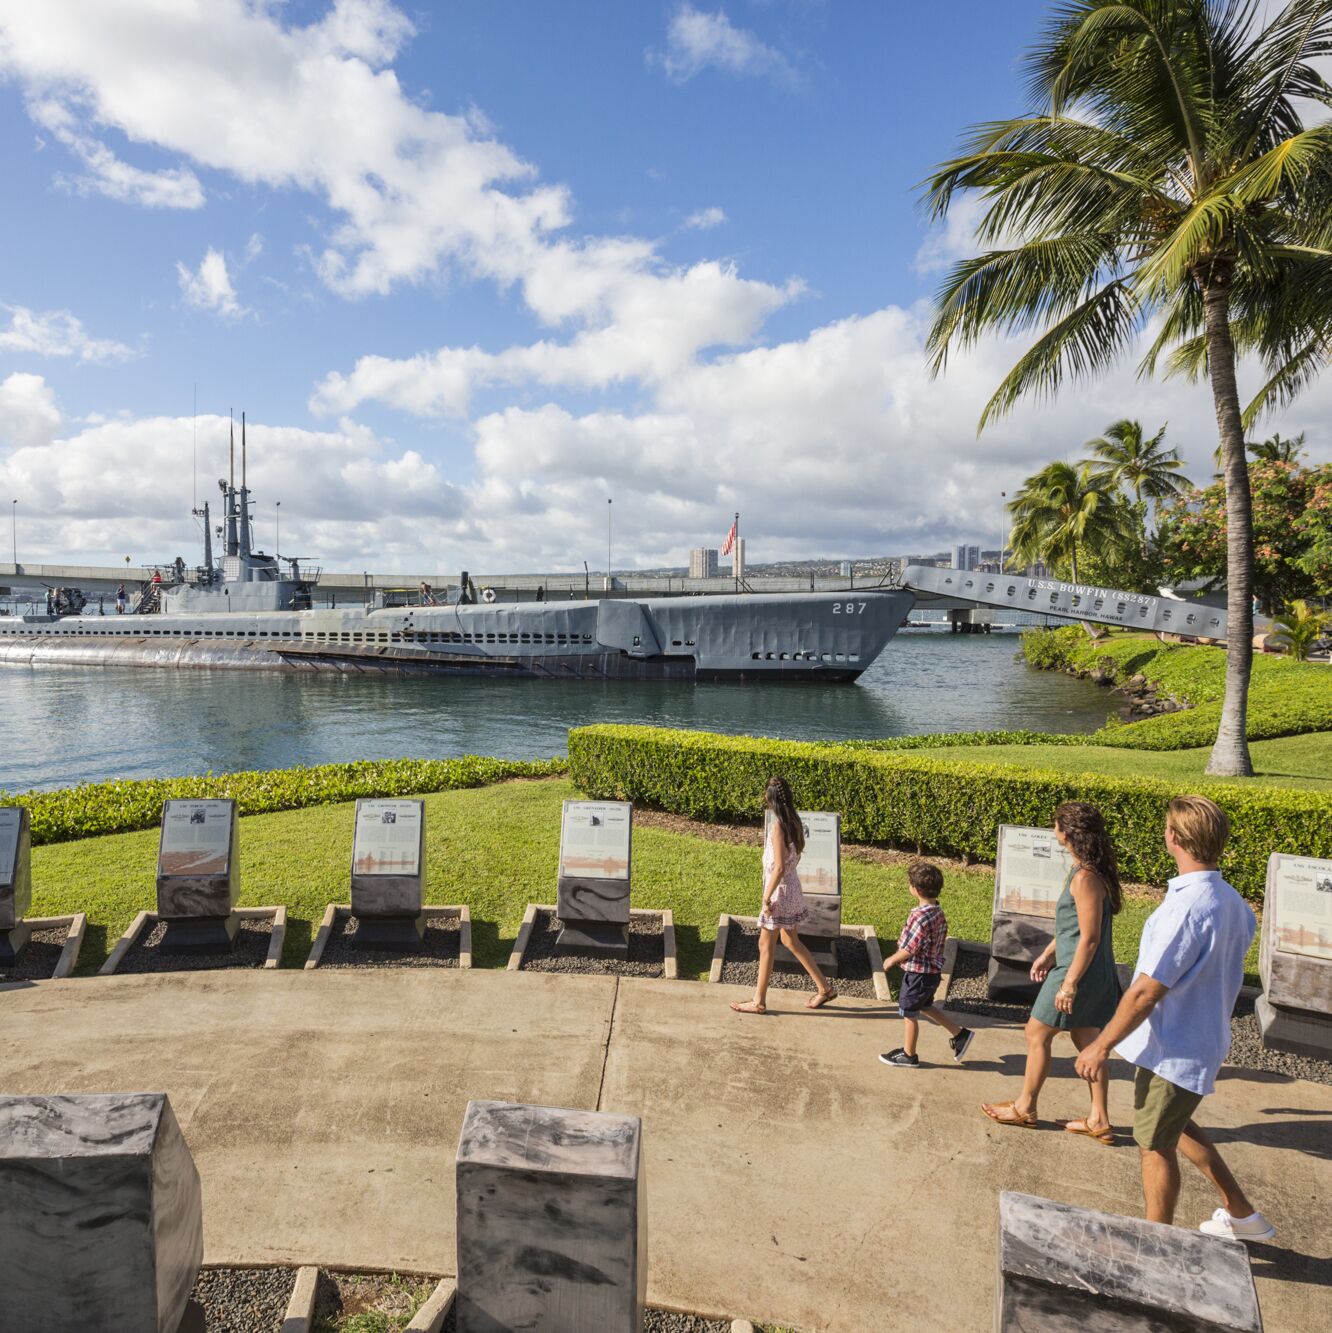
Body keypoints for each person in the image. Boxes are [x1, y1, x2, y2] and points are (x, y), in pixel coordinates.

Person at [1075, 797, 1274, 1241]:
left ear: (1174, 838)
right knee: (1176, 1125)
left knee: (1155, 1145)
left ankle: (1155, 1244)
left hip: (1174, 1048)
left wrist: (1100, 1044)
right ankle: (1243, 1215)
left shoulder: (1188, 908)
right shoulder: (1232, 902)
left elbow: (1146, 990)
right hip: (1199, 1040)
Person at [981, 801, 1122, 1142]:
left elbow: (1089, 938)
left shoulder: (1087, 877)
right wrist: (1046, 954)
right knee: (1087, 1041)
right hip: (1082, 967)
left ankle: (1025, 1108)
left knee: (1036, 1034)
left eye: (1056, 825)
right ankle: (1098, 1119)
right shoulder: (1085, 870)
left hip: (1078, 971)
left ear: (1068, 833)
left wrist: (1069, 983)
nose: (1053, 830)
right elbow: (1073, 927)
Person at [730, 776, 837, 1014]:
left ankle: (759, 1001)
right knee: (790, 941)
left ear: (770, 799)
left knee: (765, 945)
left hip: (779, 893)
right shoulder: (794, 820)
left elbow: (778, 867)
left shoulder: (778, 825)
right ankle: (824, 988)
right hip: (792, 889)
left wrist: (766, 898)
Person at [879, 861, 974, 1067]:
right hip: (930, 972)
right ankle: (960, 1035)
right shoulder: (936, 911)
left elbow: (910, 948)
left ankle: (908, 1054)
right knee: (925, 1005)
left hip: (918, 974)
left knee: (909, 1011)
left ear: (915, 889)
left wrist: (891, 959)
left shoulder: (920, 917)